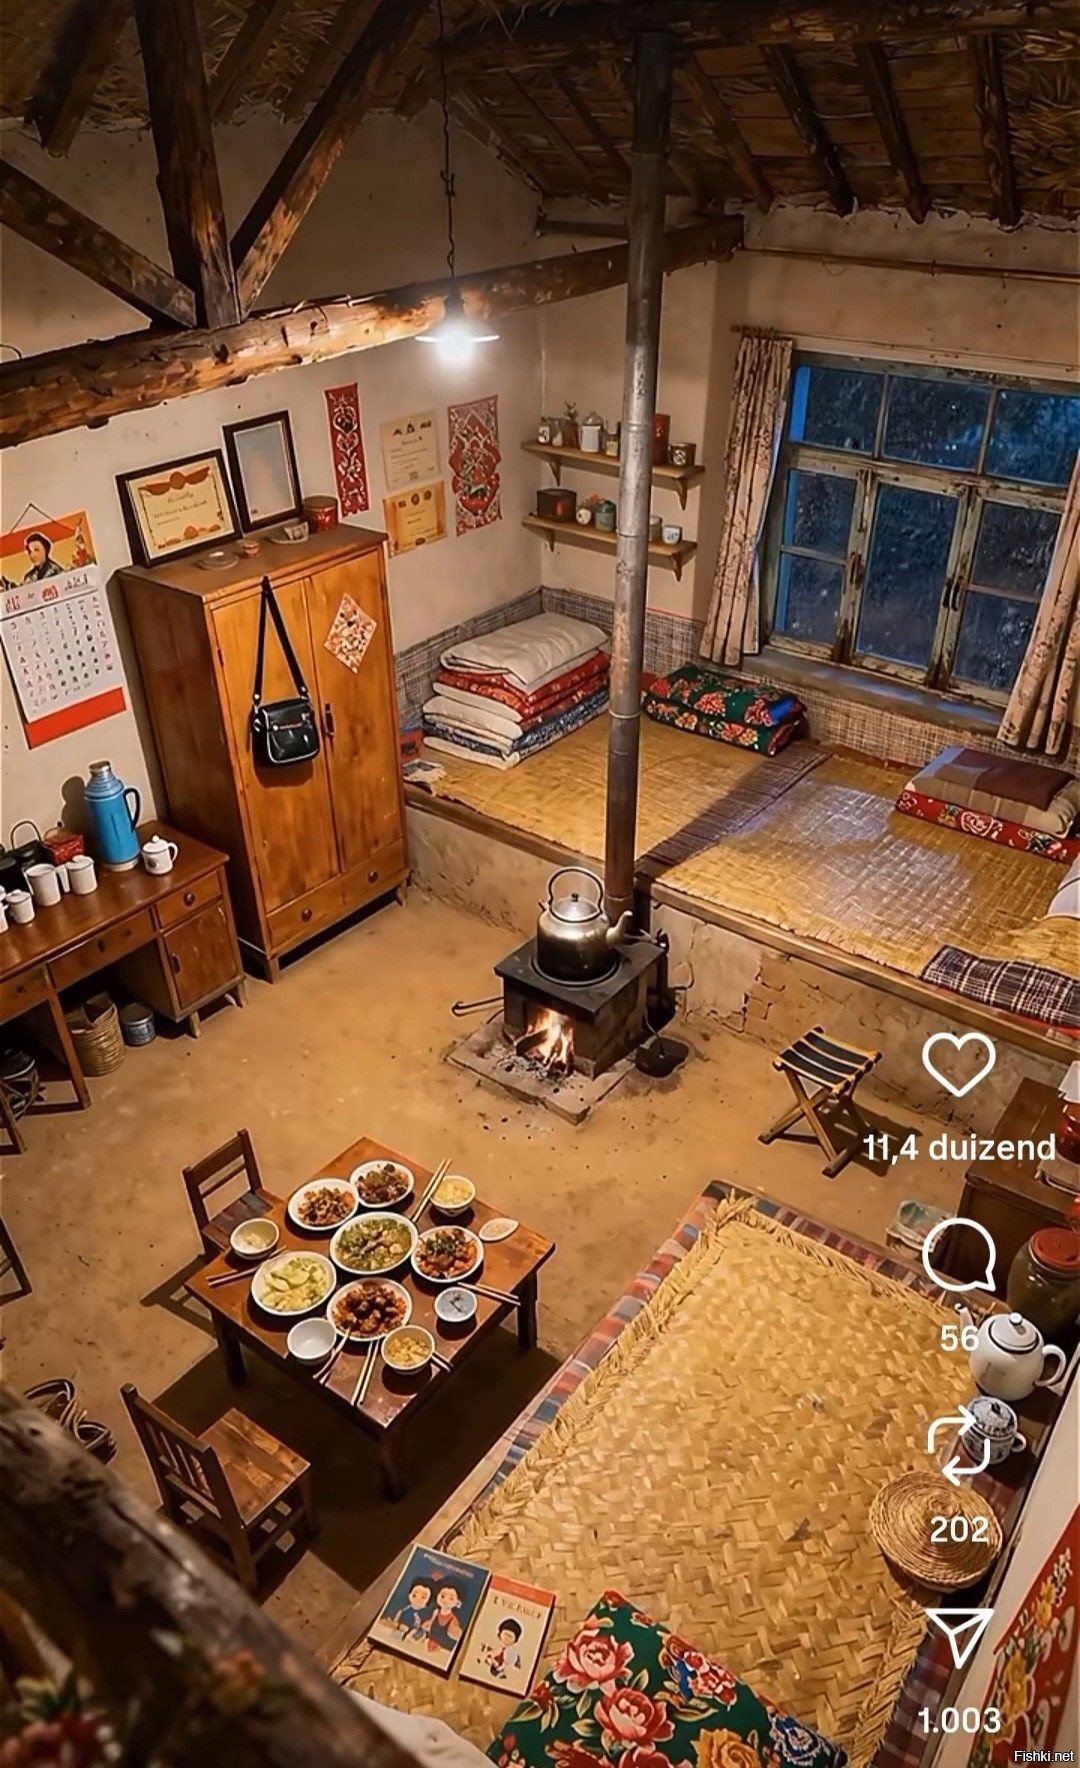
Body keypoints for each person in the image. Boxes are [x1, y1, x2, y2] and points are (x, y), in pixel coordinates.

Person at [424, 1582, 465, 1655]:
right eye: (442, 1596)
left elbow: (456, 1635)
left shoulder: (453, 1619)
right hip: (430, 1643)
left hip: (443, 1650)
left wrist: (455, 1632)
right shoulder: (436, 1612)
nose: (446, 1600)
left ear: (457, 1602)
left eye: (451, 1598)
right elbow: (429, 1625)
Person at [488, 1617, 523, 1681]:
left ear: (515, 1640)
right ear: (500, 1634)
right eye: (505, 1634)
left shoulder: (515, 1656)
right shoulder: (490, 1647)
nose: (507, 1638)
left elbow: (516, 1671)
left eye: (510, 1636)